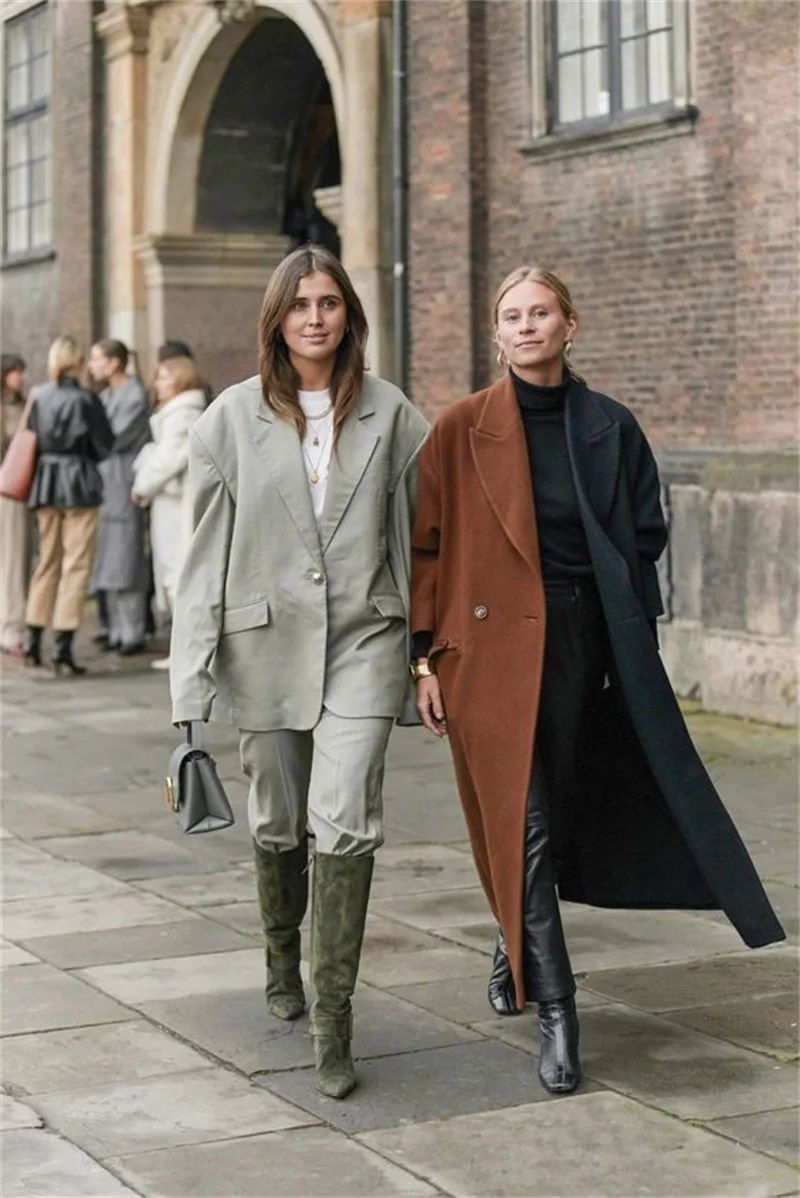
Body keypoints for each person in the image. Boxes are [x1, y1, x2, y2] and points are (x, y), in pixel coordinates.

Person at [410, 265, 785, 1096]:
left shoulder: (610, 427)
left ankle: (513, 945)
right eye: (512, 316)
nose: (526, 326)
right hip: (488, 652)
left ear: (569, 325)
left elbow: (647, 530)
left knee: (562, 805)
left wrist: (627, 629)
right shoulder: (460, 428)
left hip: (584, 641)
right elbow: (427, 548)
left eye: (540, 312)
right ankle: (559, 1013)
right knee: (527, 818)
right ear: (497, 333)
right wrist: (423, 658)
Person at [169, 244, 429, 1099]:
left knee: (346, 820)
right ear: (277, 320)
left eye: (329, 302)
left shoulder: (394, 415)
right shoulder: (229, 421)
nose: (315, 317)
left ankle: (334, 1024)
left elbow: (423, 543)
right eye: (300, 304)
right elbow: (201, 565)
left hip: (365, 642)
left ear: (350, 313)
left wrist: (427, 653)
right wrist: (189, 693)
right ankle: (283, 956)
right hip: (265, 648)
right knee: (279, 821)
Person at [23, 336, 114, 674]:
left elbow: (32, 435)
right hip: (79, 482)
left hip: (46, 481)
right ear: (76, 362)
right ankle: (62, 647)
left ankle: (32, 640)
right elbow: (106, 444)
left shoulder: (39, 396)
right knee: (76, 564)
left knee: (46, 561)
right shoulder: (86, 400)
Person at [131, 355, 206, 670]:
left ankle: (187, 652)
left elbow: (170, 458)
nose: (157, 384)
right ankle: (184, 650)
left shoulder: (183, 413)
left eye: (164, 377)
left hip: (176, 503)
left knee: (178, 573)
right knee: (174, 572)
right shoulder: (178, 412)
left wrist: (142, 485)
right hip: (169, 500)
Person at [87, 339, 151, 655]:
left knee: (126, 554)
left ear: (114, 362)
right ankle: (113, 628)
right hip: (105, 482)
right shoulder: (107, 395)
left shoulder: (134, 395)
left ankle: (132, 631)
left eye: (97, 359)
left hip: (125, 479)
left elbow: (112, 437)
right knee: (107, 555)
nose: (92, 365)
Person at [0, 354, 31, 655]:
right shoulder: (11, 411)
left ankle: (11, 628)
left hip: (14, 491)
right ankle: (10, 630)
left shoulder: (21, 407)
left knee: (14, 562)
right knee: (10, 561)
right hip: (7, 492)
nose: (20, 377)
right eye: (14, 372)